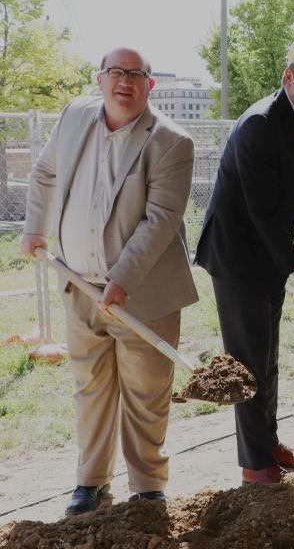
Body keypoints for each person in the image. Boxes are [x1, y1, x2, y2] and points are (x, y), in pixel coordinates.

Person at [20, 47, 196, 513]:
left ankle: (147, 486)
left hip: (143, 291)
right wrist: (35, 228)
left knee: (145, 392)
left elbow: (160, 221)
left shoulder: (171, 141)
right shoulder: (75, 115)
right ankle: (91, 482)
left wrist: (121, 279)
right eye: (115, 72)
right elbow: (46, 173)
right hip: (78, 283)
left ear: (149, 86)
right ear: (99, 79)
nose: (124, 81)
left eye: (135, 75)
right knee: (91, 387)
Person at [195, 32, 294, 484]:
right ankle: (255, 466)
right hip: (238, 254)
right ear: (288, 76)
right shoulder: (260, 123)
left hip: (269, 250)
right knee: (247, 362)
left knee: (268, 357)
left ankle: (267, 443)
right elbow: (260, 215)